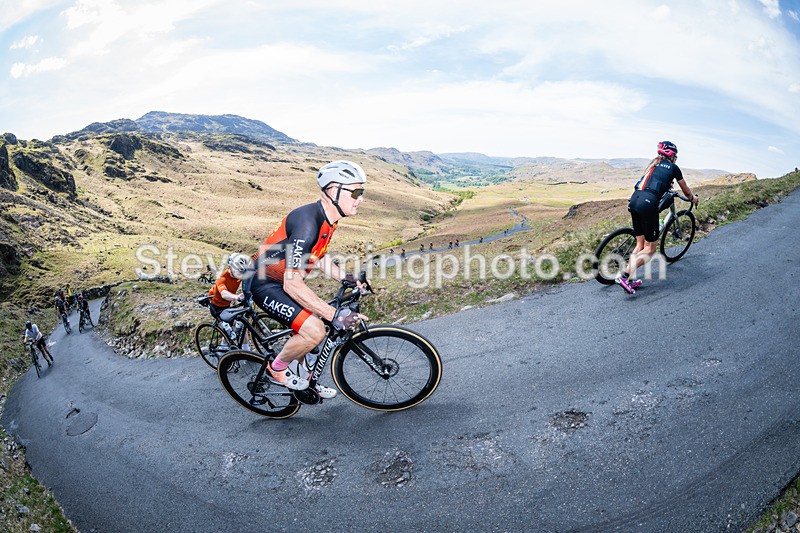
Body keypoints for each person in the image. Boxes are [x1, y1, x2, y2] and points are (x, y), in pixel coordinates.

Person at [243, 160, 369, 399]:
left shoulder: (327, 220)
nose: (360, 198)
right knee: (316, 329)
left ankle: (304, 377)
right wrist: (334, 316)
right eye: (356, 191)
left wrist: (348, 278)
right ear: (333, 191)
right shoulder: (308, 223)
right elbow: (292, 284)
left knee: (319, 321)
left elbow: (319, 256)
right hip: (264, 283)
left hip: (282, 281)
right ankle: (277, 368)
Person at [617, 141, 699, 294]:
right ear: (672, 156)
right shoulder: (674, 168)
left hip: (635, 199)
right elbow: (686, 192)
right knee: (650, 250)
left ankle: (629, 279)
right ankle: (624, 276)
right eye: (676, 156)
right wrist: (693, 199)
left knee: (640, 245)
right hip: (648, 204)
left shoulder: (653, 165)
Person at [207, 253, 252, 342]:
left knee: (242, 327)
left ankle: (246, 351)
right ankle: (223, 351)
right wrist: (236, 297)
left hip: (227, 305)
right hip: (216, 307)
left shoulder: (240, 273)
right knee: (228, 331)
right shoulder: (221, 278)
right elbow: (224, 294)